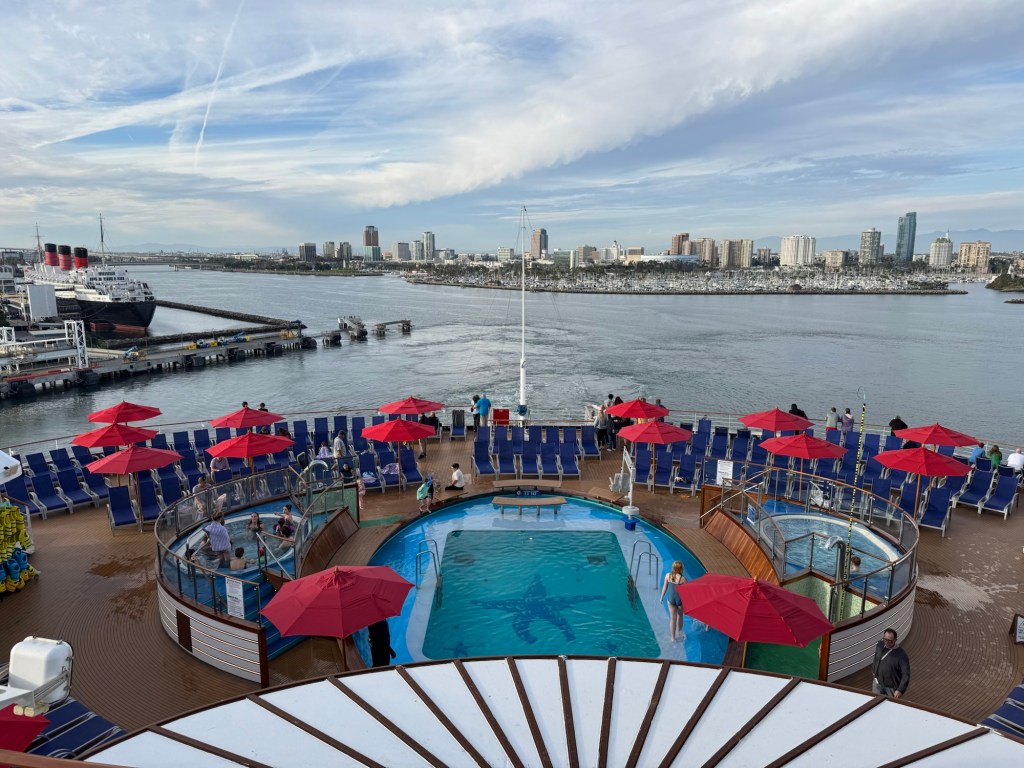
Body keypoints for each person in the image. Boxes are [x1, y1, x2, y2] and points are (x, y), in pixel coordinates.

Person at [871, 627, 910, 699]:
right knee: (875, 702)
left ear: (895, 640)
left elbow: (906, 674)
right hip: (877, 683)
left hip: (891, 688)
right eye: (885, 639)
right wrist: (874, 670)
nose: (887, 642)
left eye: (890, 641)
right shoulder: (880, 644)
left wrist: (900, 690)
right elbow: (876, 657)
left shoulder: (902, 655)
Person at [659, 560, 686, 642]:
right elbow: (687, 592)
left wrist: (661, 597)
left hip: (671, 600)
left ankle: (673, 638)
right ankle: (680, 633)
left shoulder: (668, 575)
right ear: (681, 569)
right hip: (679, 600)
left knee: (672, 618)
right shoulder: (683, 579)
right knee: (680, 616)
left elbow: (664, 587)